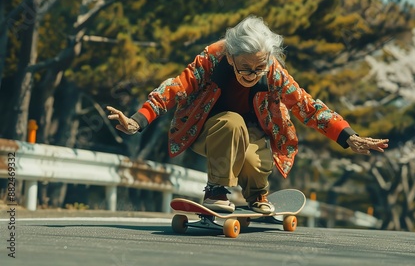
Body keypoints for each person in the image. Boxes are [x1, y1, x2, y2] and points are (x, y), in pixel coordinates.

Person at [107, 16, 389, 214]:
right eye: (245, 68)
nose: (253, 75)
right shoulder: (212, 60)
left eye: (259, 67)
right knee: (232, 122)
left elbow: (307, 106)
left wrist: (348, 136)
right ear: (230, 57)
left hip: (252, 134)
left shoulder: (272, 71)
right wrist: (137, 120)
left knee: (256, 157)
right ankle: (216, 190)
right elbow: (175, 88)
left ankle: (256, 194)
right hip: (208, 131)